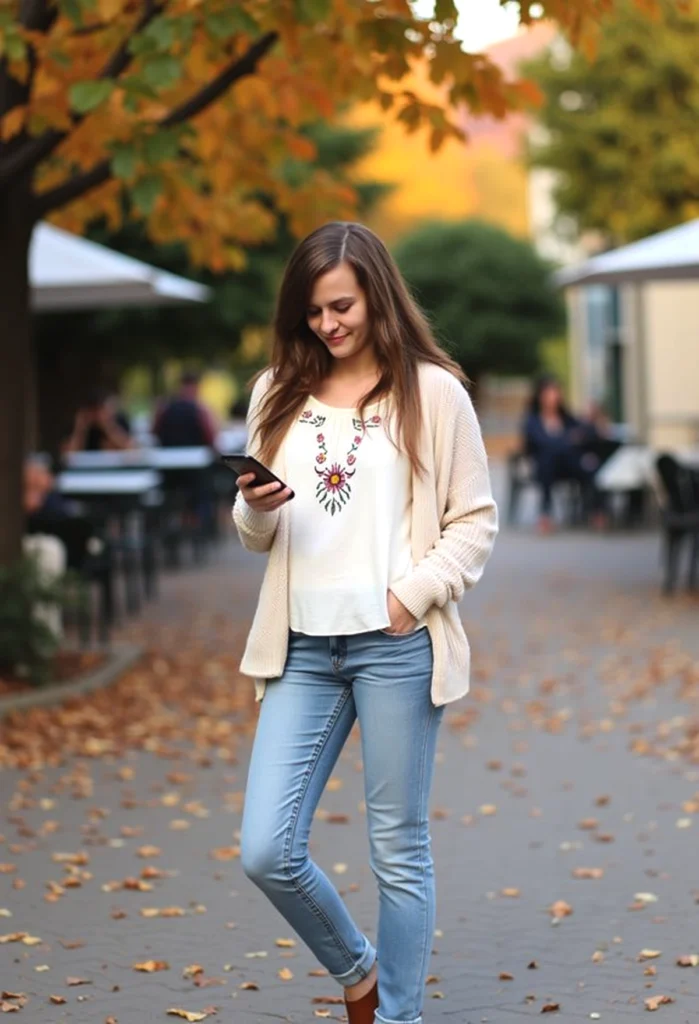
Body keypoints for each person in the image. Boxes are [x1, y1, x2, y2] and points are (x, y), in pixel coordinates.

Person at [232, 222, 498, 1024]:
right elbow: (255, 537)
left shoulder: (433, 392)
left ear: (375, 294)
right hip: (303, 649)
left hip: (394, 647)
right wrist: (251, 504)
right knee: (266, 851)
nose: (328, 324)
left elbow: (474, 521)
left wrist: (408, 596)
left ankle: (397, 1017)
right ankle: (358, 971)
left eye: (340, 305)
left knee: (398, 852)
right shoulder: (275, 392)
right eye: (313, 311)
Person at [522, 375, 606, 533]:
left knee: (590, 463)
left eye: (556, 393)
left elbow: (586, 432)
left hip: (569, 465)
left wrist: (592, 422)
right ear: (540, 396)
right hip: (546, 468)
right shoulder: (533, 421)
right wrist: (568, 439)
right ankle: (545, 513)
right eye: (550, 393)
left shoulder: (566, 418)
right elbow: (540, 443)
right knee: (548, 458)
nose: (554, 397)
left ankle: (597, 510)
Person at [152, 371, 217, 448]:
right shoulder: (201, 411)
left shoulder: (164, 407)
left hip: (168, 454)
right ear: (196, 388)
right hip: (196, 455)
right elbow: (211, 437)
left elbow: (154, 432)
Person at [63, 389, 134, 453]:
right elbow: (69, 454)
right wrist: (80, 429)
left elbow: (130, 449)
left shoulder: (119, 421)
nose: (96, 416)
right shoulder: (80, 426)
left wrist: (108, 427)